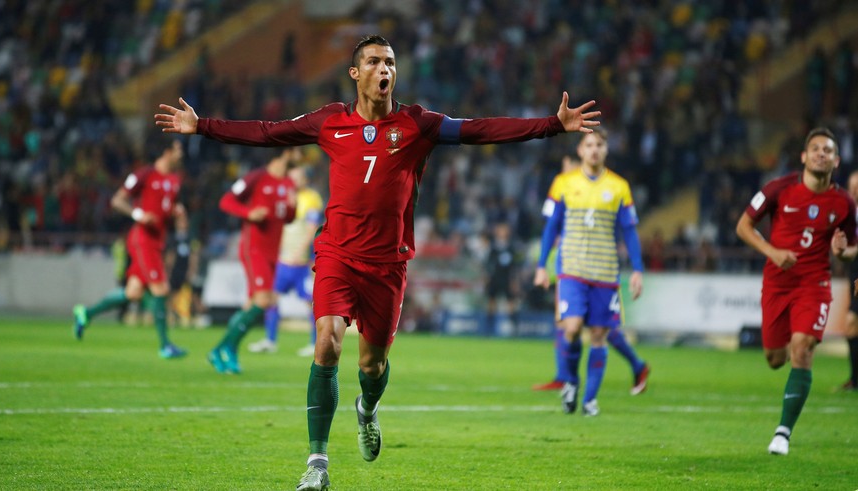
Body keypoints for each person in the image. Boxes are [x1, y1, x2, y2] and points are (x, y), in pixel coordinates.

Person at [155, 34, 600, 491]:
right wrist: (202, 125)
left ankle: (366, 410)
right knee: (327, 343)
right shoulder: (329, 122)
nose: (383, 69)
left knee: (372, 367)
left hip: (387, 266)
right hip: (336, 255)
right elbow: (268, 133)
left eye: (389, 62)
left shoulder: (417, 124)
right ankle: (317, 463)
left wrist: (552, 124)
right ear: (355, 73)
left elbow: (478, 130)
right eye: (373, 61)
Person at [735, 127, 856, 456]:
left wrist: (842, 250)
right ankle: (789, 351)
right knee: (775, 358)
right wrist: (772, 252)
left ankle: (782, 433)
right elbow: (743, 226)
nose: (821, 154)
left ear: (836, 160)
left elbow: (851, 250)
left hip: (814, 284)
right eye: (815, 148)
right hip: (777, 282)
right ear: (803, 156)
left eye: (827, 150)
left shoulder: (844, 203)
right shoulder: (778, 188)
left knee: (802, 348)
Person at [533, 131, 644, 417]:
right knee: (570, 328)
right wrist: (541, 266)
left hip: (606, 271)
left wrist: (637, 270)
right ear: (580, 151)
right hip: (571, 268)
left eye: (600, 145)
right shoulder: (563, 183)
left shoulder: (619, 187)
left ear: (606, 150)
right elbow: (550, 227)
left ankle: (590, 400)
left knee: (598, 334)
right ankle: (571, 382)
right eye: (589, 145)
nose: (595, 150)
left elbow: (630, 232)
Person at [72, 138, 188, 359]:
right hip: (142, 240)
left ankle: (85, 313)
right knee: (161, 290)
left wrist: (176, 211)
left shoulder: (174, 180)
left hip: (157, 242)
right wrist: (139, 214)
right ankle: (165, 345)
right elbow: (117, 200)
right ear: (166, 151)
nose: (181, 154)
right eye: (177, 149)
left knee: (133, 293)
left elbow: (166, 207)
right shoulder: (144, 174)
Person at [207, 148, 299, 374]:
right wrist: (248, 213)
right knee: (264, 300)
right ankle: (226, 348)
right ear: (284, 153)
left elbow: (287, 218)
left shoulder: (288, 183)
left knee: (252, 305)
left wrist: (292, 205)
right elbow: (227, 201)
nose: (299, 153)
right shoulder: (257, 177)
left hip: (272, 252)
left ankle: (221, 350)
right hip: (253, 248)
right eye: (295, 149)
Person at [247, 164, 324, 356]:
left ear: (305, 180)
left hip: (301, 263)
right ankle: (270, 340)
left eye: (297, 177)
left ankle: (315, 343)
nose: (293, 181)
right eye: (292, 177)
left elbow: (311, 229)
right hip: (282, 259)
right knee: (271, 299)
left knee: (312, 303)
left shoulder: (311, 199)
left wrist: (301, 252)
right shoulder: (284, 195)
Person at [483, 221, 521, 336]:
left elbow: (515, 266)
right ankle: (489, 328)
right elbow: (488, 264)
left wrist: (514, 280)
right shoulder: (493, 247)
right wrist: (487, 278)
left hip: (506, 279)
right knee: (491, 302)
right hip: (495, 278)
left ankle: (514, 328)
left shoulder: (511, 247)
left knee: (510, 303)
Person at [840, 170, 858, 391]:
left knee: (852, 323)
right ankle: (855, 380)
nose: (854, 192)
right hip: (853, 276)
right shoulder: (847, 215)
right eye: (852, 187)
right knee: (852, 326)